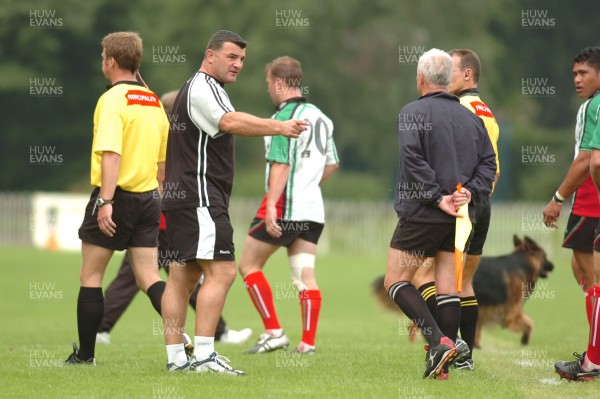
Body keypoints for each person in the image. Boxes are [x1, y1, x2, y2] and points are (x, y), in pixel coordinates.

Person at [160, 30, 307, 375]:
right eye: (231, 57)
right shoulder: (203, 88)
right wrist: (278, 126)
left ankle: (177, 359)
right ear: (209, 55)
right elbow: (229, 122)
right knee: (223, 272)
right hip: (200, 197)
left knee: (182, 275)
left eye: (242, 59)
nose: (238, 64)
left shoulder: (202, 88)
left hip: (186, 196)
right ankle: (205, 357)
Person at [96, 91, 252, 347]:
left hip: (161, 219)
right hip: (164, 221)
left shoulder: (166, 134)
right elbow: (161, 177)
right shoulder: (171, 137)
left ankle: (102, 327)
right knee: (181, 279)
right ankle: (218, 332)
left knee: (169, 279)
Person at [384, 48, 496, 379]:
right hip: (460, 214)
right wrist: (468, 192)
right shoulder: (471, 117)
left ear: (420, 78)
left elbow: (412, 160)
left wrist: (437, 197)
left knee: (396, 280)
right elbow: (489, 163)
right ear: (447, 79)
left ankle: (439, 343)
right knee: (448, 287)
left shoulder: (411, 112)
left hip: (423, 212)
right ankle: (443, 369)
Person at [65, 31, 169, 365]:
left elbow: (111, 155)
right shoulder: (153, 101)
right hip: (149, 198)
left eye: (102, 58)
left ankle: (86, 357)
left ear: (111, 61)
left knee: (91, 277)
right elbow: (163, 163)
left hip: (117, 196)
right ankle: (182, 345)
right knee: (149, 277)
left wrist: (104, 201)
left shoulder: (111, 100)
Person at [238, 56, 339, 355]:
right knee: (304, 274)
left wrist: (271, 206)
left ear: (279, 82)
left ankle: (274, 332)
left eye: (269, 82)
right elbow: (332, 165)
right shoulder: (322, 117)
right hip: (312, 210)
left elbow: (280, 165)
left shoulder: (282, 118)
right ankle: (307, 343)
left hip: (284, 206)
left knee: (248, 265)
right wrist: (308, 185)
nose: (268, 88)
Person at [554, 46, 600, 381]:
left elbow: (590, 161)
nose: (577, 79)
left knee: (593, 280)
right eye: (574, 73)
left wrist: (557, 197)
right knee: (582, 272)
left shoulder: (594, 106)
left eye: (583, 72)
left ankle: (593, 361)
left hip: (590, 196)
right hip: (587, 196)